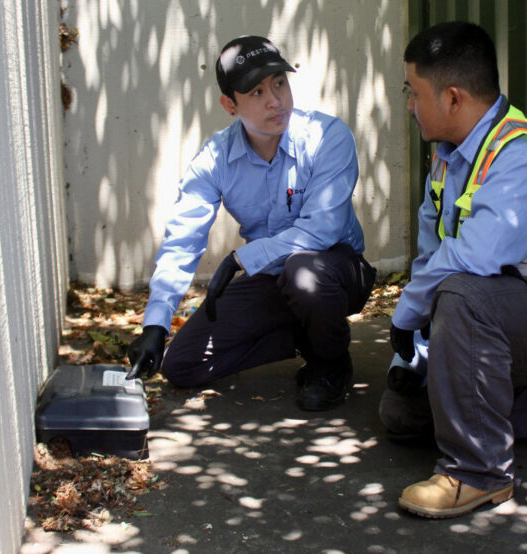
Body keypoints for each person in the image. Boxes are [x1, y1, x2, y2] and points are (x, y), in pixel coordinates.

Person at [385, 22, 527, 519]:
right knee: (401, 415)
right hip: (508, 313)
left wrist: (405, 316)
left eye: (413, 91)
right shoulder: (447, 159)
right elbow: (430, 258)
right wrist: (415, 355)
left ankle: (477, 473)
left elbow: (469, 262)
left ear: (451, 97)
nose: (408, 103)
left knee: (462, 295)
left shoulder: (523, 159)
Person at [125, 35, 376, 412]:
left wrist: (243, 259)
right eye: (256, 92)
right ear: (230, 104)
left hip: (336, 270)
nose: (275, 100)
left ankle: (331, 364)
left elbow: (322, 229)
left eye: (279, 83)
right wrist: (156, 325)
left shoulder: (327, 137)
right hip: (273, 278)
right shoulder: (215, 158)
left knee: (304, 273)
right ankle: (307, 337)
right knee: (183, 364)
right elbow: (183, 239)